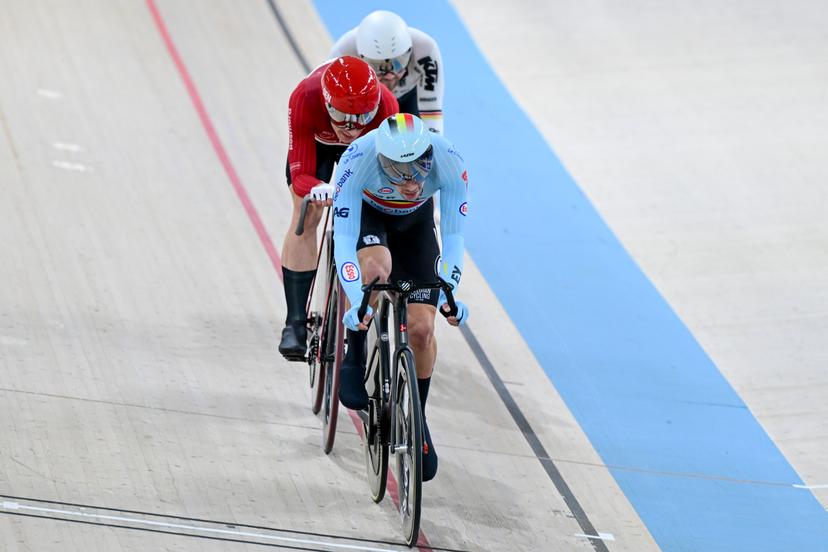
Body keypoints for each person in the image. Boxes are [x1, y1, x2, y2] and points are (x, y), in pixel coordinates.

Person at [331, 113, 470, 481]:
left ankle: (417, 418)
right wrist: (355, 300)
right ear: (381, 160)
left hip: (415, 225)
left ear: (429, 155)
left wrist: (450, 291)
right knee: (377, 270)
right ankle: (355, 352)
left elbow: (453, 238)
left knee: (423, 330)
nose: (411, 182)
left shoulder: (449, 159)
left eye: (419, 169)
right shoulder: (357, 159)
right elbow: (343, 241)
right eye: (398, 171)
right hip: (370, 219)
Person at [278, 56, 399, 360]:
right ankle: (295, 323)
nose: (351, 127)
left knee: (370, 211)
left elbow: (387, 175)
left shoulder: (387, 106)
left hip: (365, 153)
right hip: (318, 146)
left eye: (361, 117)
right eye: (342, 116)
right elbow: (300, 174)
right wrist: (317, 189)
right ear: (327, 103)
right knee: (306, 213)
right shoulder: (305, 97)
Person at [330, 10, 444, 133]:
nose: (389, 76)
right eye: (378, 66)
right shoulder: (342, 54)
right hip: (367, 100)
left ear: (410, 51)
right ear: (360, 56)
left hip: (408, 97)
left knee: (415, 135)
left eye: (397, 63)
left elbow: (431, 110)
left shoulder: (425, 49)